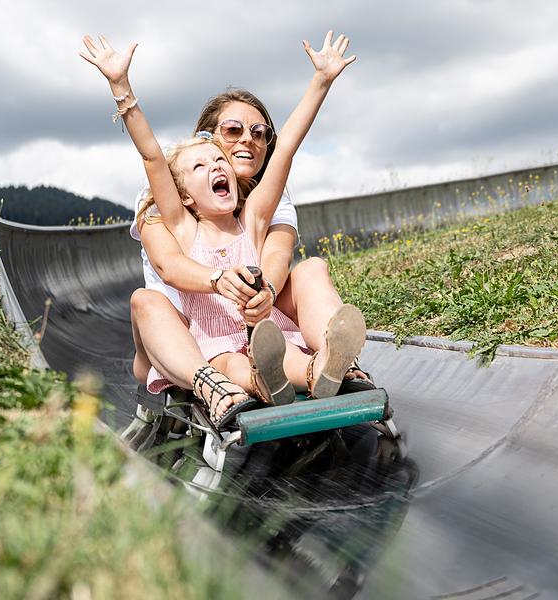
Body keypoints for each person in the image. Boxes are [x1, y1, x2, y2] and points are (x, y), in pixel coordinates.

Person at [80, 32, 369, 427]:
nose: (217, 167)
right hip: (205, 344)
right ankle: (253, 384)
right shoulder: (179, 224)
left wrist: (321, 82)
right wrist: (121, 87)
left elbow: (285, 149)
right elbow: (151, 156)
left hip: (262, 330)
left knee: (284, 351)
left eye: (219, 163)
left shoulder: (252, 218)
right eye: (201, 166)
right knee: (233, 365)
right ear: (182, 195)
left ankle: (327, 369)